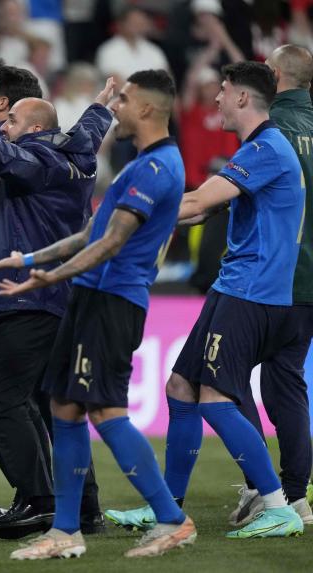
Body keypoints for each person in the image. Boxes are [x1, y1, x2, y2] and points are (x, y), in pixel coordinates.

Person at [0, 69, 194, 560]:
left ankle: (172, 519)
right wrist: (27, 259)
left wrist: (47, 279)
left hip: (114, 300)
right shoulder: (139, 165)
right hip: (91, 297)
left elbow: (112, 242)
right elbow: (90, 233)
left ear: (145, 109)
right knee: (65, 408)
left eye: (123, 100)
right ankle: (67, 530)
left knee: (105, 411)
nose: (114, 108)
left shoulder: (155, 170)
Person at [106, 62, 306, 542]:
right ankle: (168, 508)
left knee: (216, 397)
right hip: (235, 286)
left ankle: (279, 506)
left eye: (222, 91)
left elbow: (195, 204)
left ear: (242, 98)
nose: (215, 100)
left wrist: (124, 221)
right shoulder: (256, 151)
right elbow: (203, 210)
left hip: (252, 292)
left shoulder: (266, 148)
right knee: (180, 387)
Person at [0, 62, 114, 540]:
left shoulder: (36, 161)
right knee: (39, 402)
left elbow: (18, 162)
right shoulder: (67, 153)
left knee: (8, 402)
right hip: (31, 297)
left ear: (33, 127)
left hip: (21, 298)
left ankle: (41, 500)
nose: (4, 127)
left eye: (11, 120)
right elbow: (84, 133)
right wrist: (101, 108)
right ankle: (82, 507)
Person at [228, 44, 313, 526]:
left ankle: (265, 488)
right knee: (288, 385)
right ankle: (297, 496)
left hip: (269, 278)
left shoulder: (268, 131)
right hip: (309, 287)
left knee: (223, 378)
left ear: (273, 74)